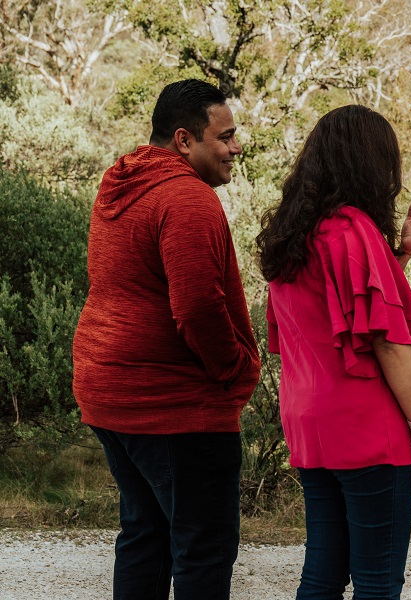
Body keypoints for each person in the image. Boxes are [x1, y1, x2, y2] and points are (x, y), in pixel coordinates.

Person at [72, 78, 261, 599]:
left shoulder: (121, 182)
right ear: (184, 139)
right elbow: (198, 307)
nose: (235, 147)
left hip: (110, 394)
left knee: (145, 536)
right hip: (173, 405)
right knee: (204, 548)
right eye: (224, 138)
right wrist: (236, 370)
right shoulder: (187, 199)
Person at [256, 104, 411, 599]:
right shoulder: (353, 229)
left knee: (322, 573)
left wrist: (401, 253)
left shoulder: (293, 237)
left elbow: (340, 311)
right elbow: (386, 338)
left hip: (311, 428)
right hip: (366, 430)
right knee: (378, 580)